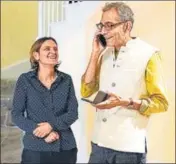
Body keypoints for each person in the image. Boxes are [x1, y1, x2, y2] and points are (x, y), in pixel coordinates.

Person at [81, 2, 169, 164]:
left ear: (127, 26)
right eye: (102, 25)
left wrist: (125, 102)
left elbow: (161, 103)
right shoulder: (104, 54)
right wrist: (95, 53)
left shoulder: (149, 54)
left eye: (109, 25)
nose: (104, 31)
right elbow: (87, 91)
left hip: (128, 148)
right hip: (99, 144)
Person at [12, 37, 78, 164]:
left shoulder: (66, 80)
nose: (53, 52)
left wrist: (51, 125)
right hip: (35, 149)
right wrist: (42, 132)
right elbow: (16, 115)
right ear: (36, 55)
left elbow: (73, 113)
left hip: (65, 147)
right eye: (47, 49)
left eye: (55, 49)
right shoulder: (25, 80)